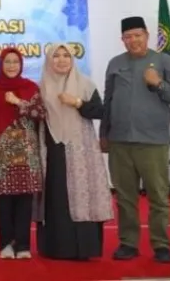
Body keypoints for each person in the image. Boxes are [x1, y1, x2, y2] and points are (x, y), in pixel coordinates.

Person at [100, 16, 170, 263]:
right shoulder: (115, 63)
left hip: (153, 141)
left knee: (158, 196)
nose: (133, 40)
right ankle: (128, 243)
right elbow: (108, 100)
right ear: (122, 40)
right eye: (128, 37)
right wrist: (104, 133)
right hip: (120, 141)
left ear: (147, 35)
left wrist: (158, 83)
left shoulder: (164, 61)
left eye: (138, 35)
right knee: (125, 197)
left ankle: (161, 244)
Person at [36, 43, 112, 261]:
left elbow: (100, 112)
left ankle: (84, 248)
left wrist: (77, 102)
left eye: (66, 56)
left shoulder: (85, 84)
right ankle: (57, 248)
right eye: (56, 56)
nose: (61, 60)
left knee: (82, 196)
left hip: (81, 151)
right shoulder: (41, 87)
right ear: (49, 60)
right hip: (53, 151)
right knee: (57, 198)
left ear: (72, 59)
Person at [0, 47, 46, 260]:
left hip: (26, 152)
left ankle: (22, 245)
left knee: (24, 200)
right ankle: (5, 244)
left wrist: (18, 102)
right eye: (7, 62)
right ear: (1, 65)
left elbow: (40, 113)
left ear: (21, 65)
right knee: (3, 201)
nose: (11, 65)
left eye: (15, 62)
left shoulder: (30, 87)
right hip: (0, 152)